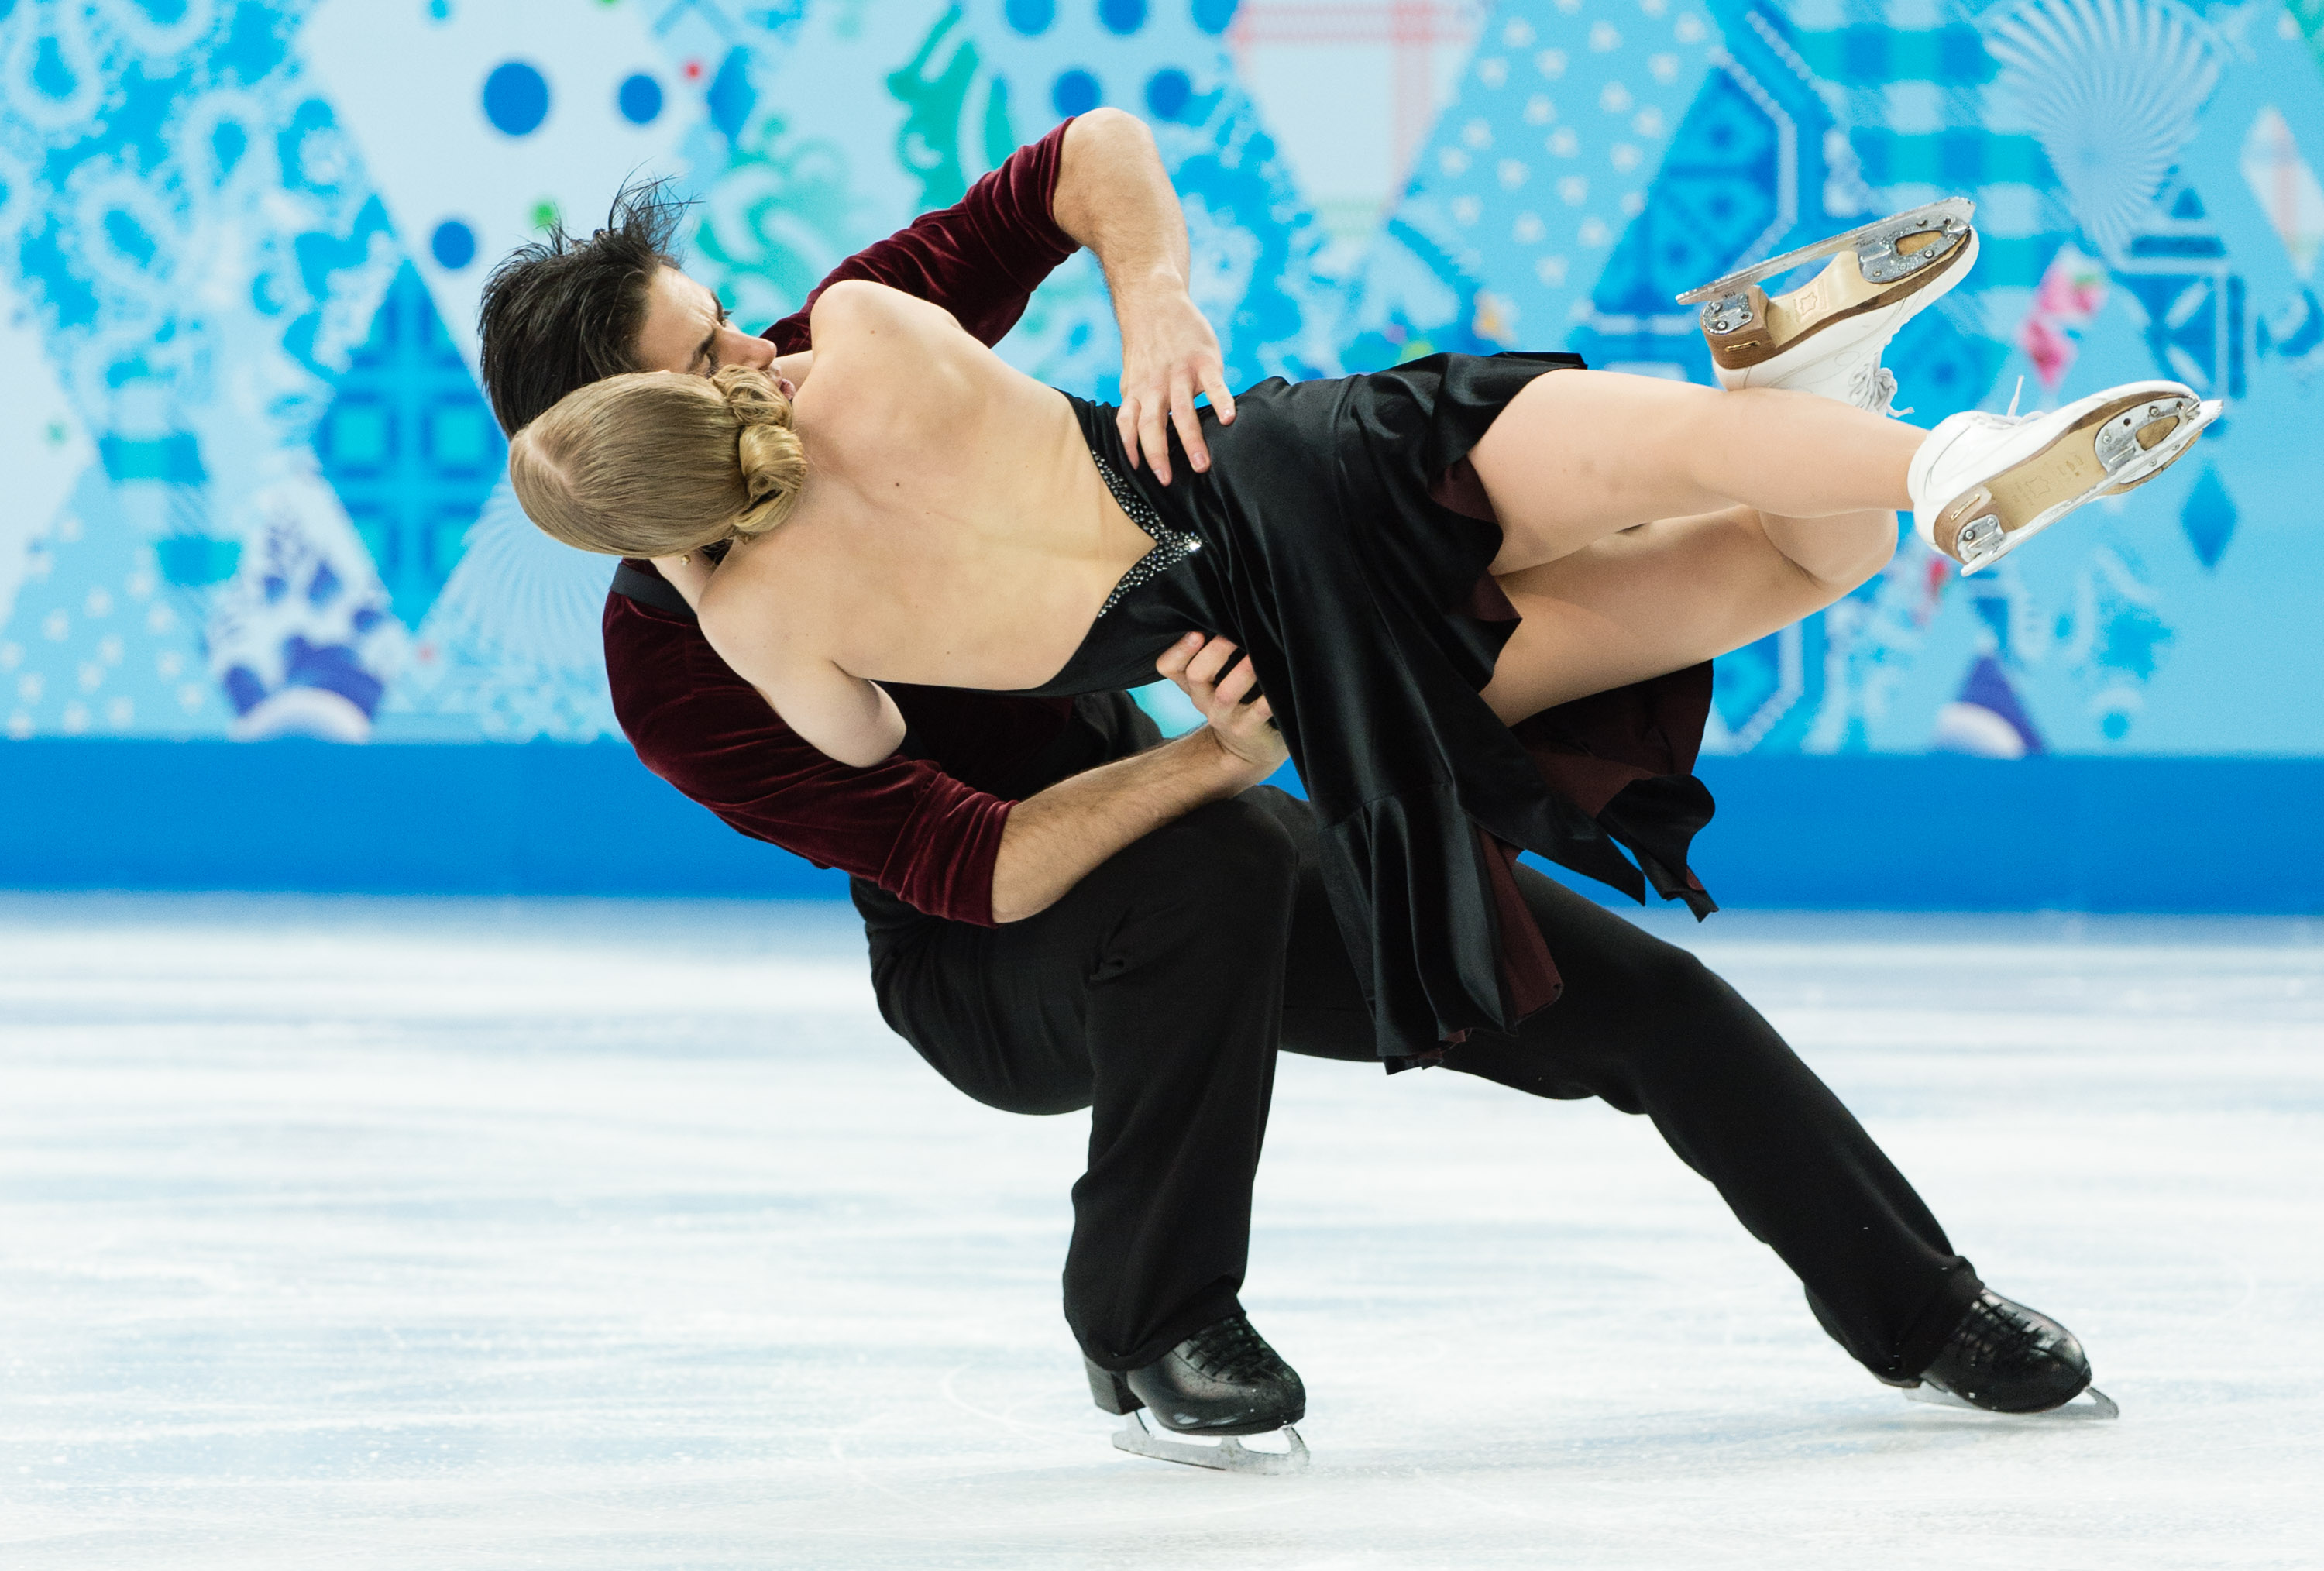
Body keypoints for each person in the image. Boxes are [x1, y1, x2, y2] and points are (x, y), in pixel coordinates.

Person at [476, 113, 2125, 1468]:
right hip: (994, 960)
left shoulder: (832, 346)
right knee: (1211, 870)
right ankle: (1154, 1324)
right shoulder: (686, 665)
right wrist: (1216, 757)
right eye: (703, 359)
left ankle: (1927, 1313)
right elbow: (959, 863)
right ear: (622, 434)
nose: (755, 355)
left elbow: (1077, 166)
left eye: (728, 320)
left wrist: (1155, 308)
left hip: (1206, 762)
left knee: (1640, 1004)